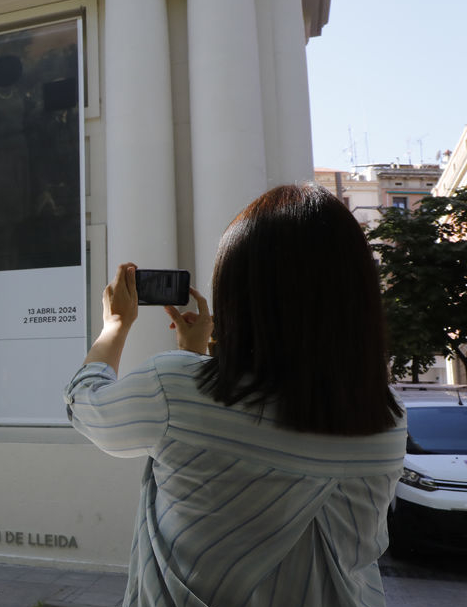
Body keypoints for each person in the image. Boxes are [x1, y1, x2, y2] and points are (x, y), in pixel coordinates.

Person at [65, 184, 406, 607]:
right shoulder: (389, 423)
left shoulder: (175, 388)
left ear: (239, 295)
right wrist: (200, 358)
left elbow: (85, 403)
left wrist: (116, 324)